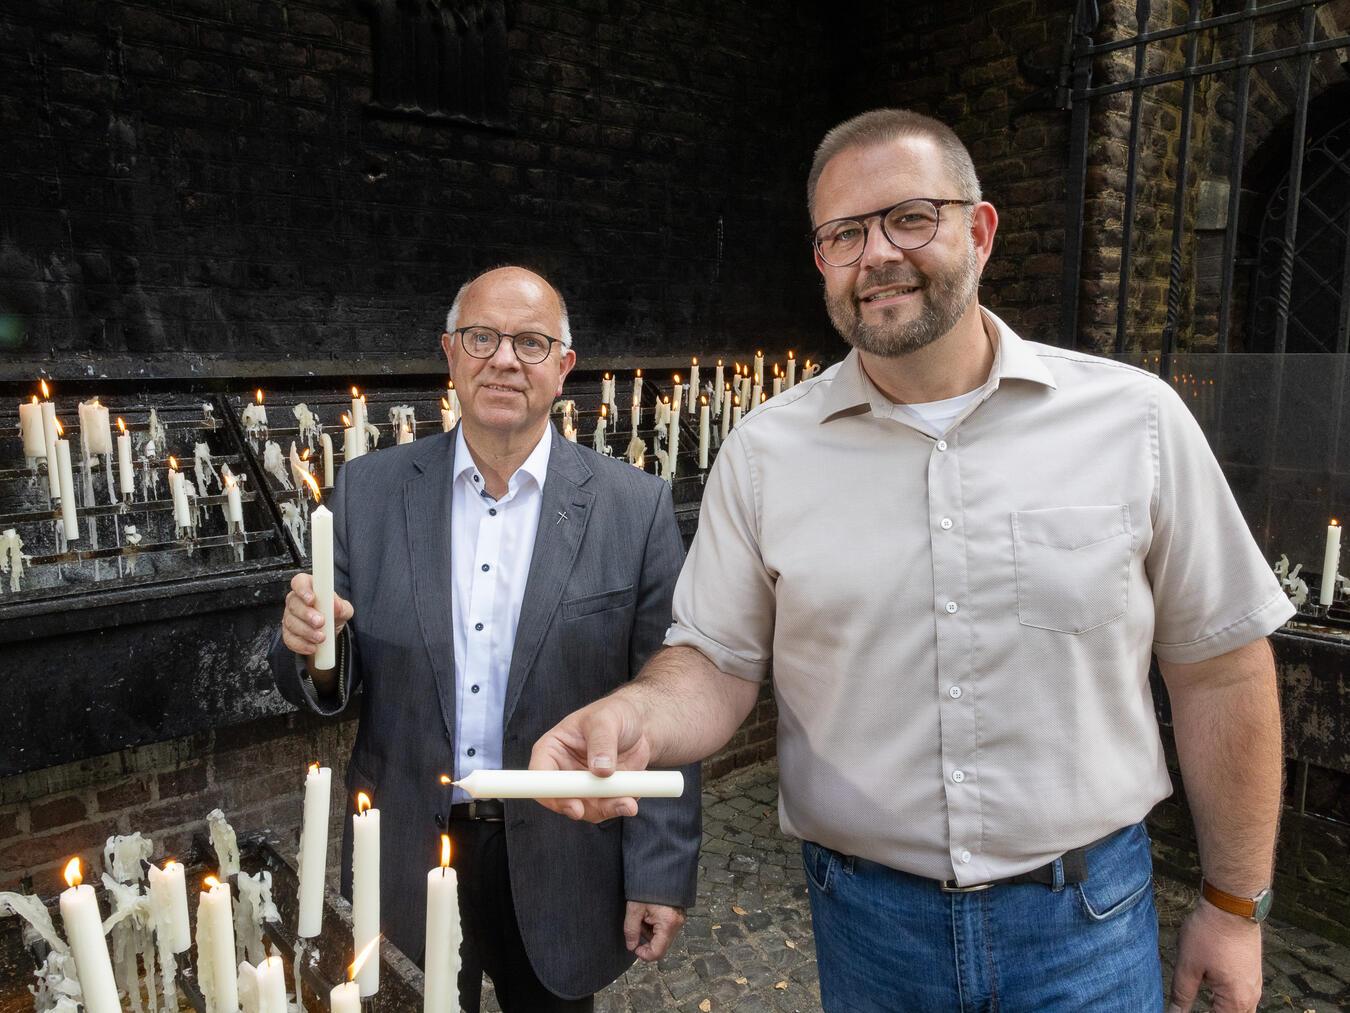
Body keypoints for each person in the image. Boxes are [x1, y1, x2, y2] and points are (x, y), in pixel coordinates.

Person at [529, 111, 1292, 1013]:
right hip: (869, 931)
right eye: (844, 234)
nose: (877, 254)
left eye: (910, 217)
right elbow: (717, 661)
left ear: (981, 229)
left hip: (1084, 921)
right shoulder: (769, 452)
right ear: (822, 262)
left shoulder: (1137, 422)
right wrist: (635, 716)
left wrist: (1236, 906)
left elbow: (1221, 671)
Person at [271, 266, 700, 1012]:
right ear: (451, 354)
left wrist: (660, 871)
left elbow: (666, 692)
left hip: (565, 851)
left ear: (563, 368)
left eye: (531, 342)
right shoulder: (370, 492)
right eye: (482, 337)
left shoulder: (633, 508)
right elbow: (324, 673)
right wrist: (312, 647)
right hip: (406, 841)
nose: (504, 358)